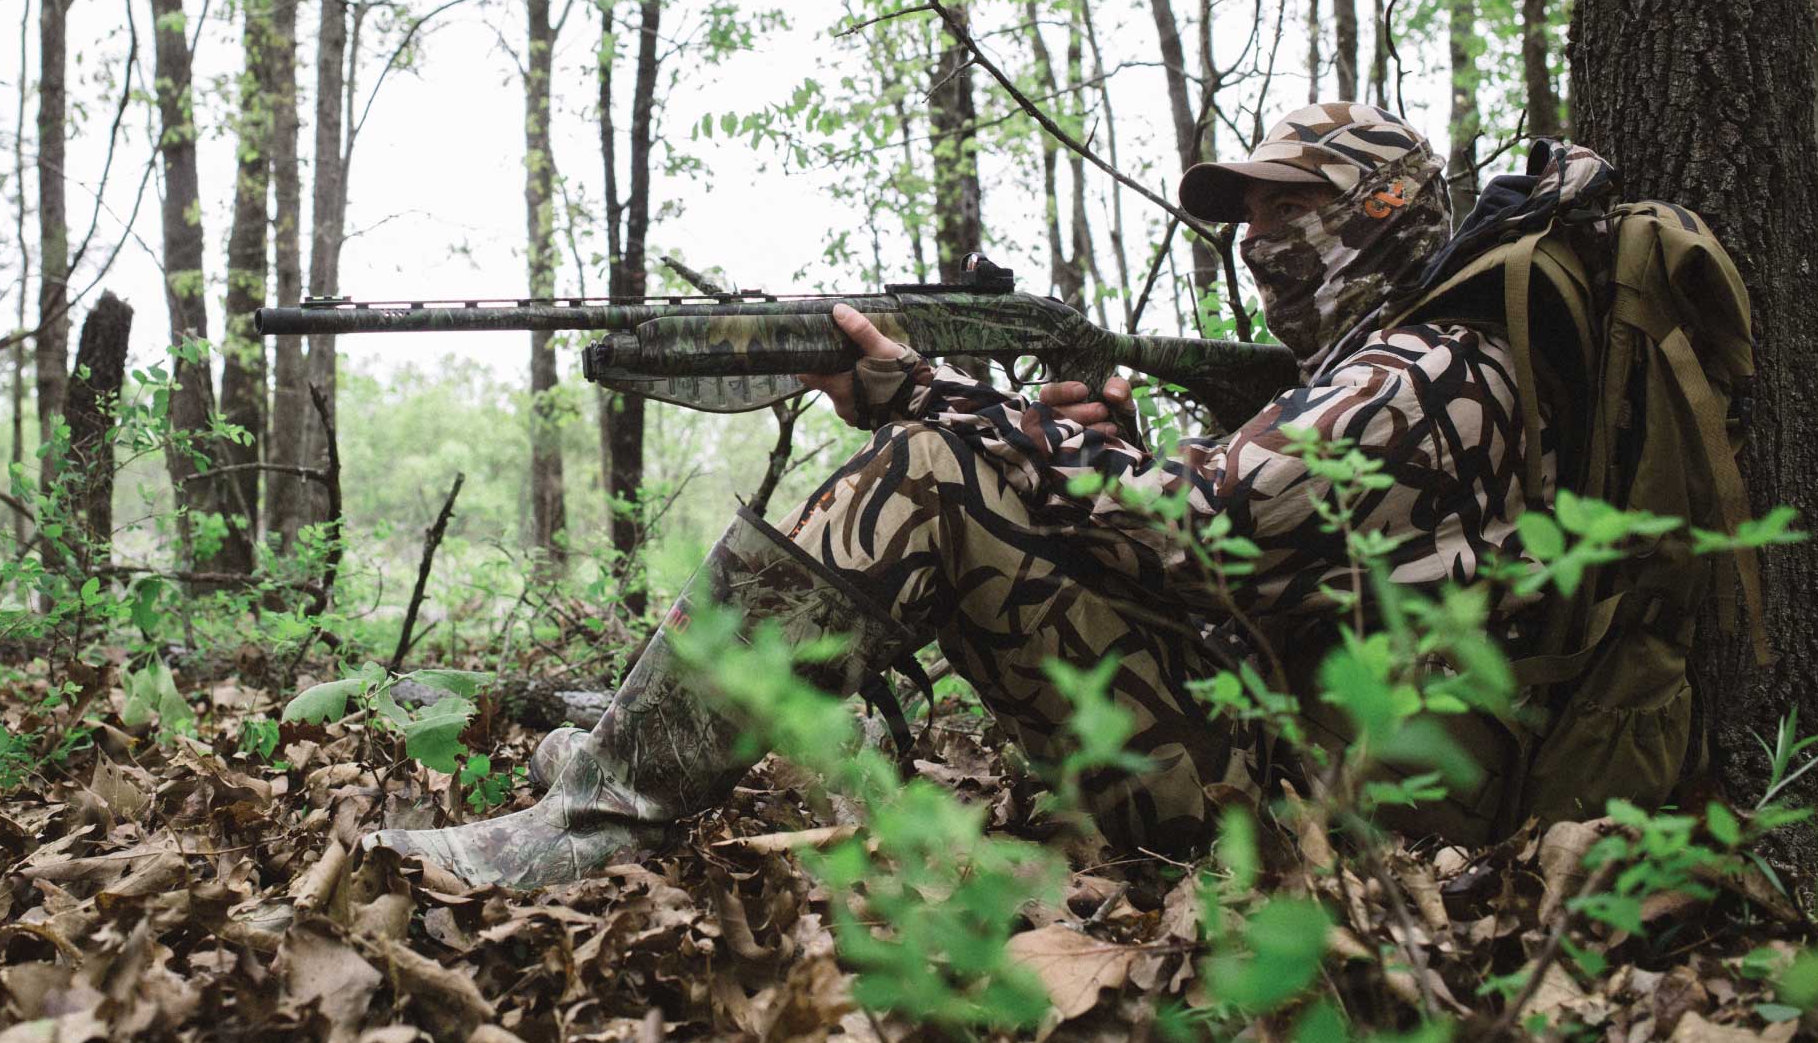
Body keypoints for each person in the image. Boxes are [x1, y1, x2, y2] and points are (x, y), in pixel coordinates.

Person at [366, 102, 1563, 888]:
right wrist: (1076, 438)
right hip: (1286, 767)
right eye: (1242, 217)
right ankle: (631, 752)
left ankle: (592, 820)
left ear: (1388, 206)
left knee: (942, 468)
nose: (1254, 240)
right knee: (964, 458)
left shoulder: (1431, 371)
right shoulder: (1381, 370)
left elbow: (1198, 540)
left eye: (1281, 207)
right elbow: (1235, 545)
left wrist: (937, 398)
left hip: (1341, 820)